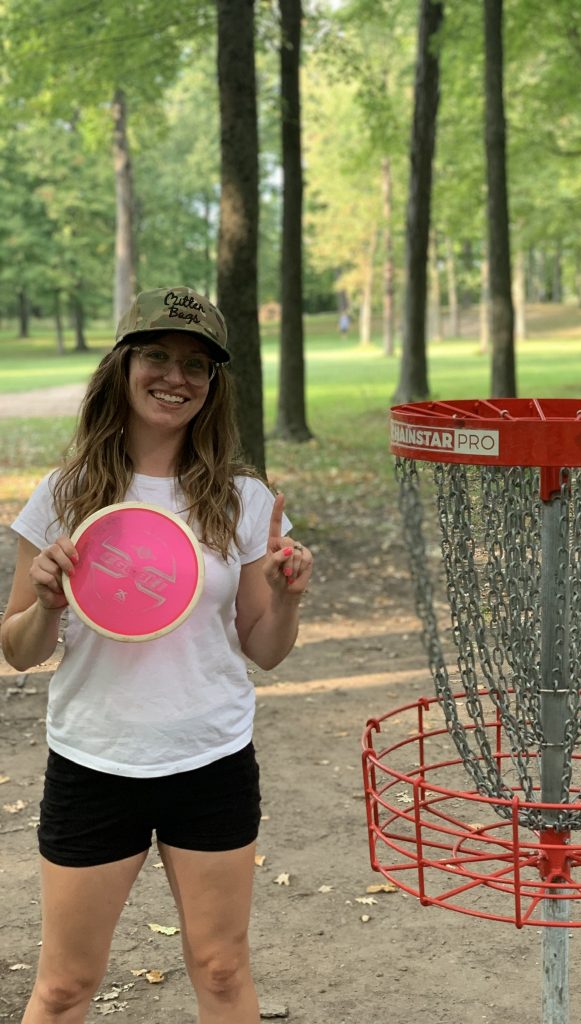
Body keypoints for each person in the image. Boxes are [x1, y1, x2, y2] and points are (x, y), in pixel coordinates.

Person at [0, 286, 313, 1023]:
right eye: (157, 356)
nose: (176, 377)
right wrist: (45, 603)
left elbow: (263, 650)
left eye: (196, 366)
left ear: (213, 386)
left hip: (210, 758)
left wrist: (289, 595)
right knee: (65, 986)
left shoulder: (244, 501)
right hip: (95, 762)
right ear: (122, 365)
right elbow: (16, 650)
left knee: (223, 969)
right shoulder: (63, 494)